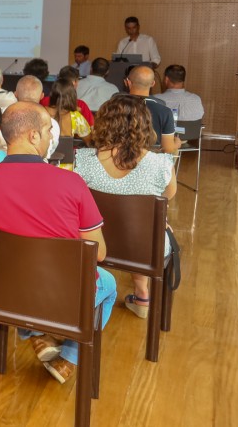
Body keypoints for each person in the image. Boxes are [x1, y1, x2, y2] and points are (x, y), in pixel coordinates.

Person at [0, 102, 115, 385]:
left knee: (24, 278)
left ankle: (33, 333)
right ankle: (70, 358)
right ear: (33, 136)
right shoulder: (72, 183)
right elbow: (98, 253)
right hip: (63, 295)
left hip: (5, 291)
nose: (52, 137)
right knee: (109, 284)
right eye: (48, 132)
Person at [74, 95, 176, 319]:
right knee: (144, 226)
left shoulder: (81, 160)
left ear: (104, 122)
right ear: (145, 125)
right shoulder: (161, 164)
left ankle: (93, 288)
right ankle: (142, 294)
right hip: (144, 247)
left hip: (95, 241)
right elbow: (167, 196)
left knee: (110, 222)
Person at [127, 66, 180, 152]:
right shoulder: (164, 111)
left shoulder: (115, 106)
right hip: (151, 157)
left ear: (128, 82)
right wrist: (177, 143)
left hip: (120, 158)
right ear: (153, 84)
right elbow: (168, 149)